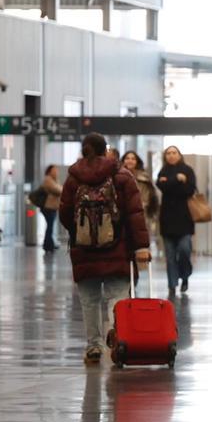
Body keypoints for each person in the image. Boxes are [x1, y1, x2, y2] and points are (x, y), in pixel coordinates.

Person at [59, 133, 150, 364]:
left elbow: (65, 213)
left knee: (89, 301)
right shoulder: (121, 175)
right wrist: (140, 247)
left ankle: (93, 346)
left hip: (83, 251)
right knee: (116, 298)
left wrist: (82, 233)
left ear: (83, 150)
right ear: (105, 150)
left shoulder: (73, 178)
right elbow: (135, 214)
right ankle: (119, 342)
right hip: (117, 248)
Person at [156, 146, 196, 295]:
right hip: (167, 219)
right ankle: (172, 285)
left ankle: (185, 275)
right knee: (170, 255)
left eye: (174, 153)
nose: (171, 156)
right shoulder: (163, 171)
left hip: (184, 219)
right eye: (168, 153)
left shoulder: (188, 170)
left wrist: (171, 182)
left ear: (179, 155)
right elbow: (161, 186)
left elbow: (189, 190)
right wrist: (177, 180)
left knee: (185, 250)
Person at [120, 151, 159, 249]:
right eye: (127, 158)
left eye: (133, 159)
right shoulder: (117, 176)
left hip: (140, 216)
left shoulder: (144, 178)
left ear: (137, 162)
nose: (130, 161)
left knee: (140, 248)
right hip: (121, 216)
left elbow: (148, 198)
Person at [40, 164, 63, 253]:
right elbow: (58, 190)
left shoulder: (54, 180)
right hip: (48, 207)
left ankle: (50, 244)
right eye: (54, 170)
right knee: (50, 226)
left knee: (50, 226)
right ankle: (47, 245)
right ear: (49, 171)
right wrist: (61, 188)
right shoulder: (48, 180)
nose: (56, 172)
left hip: (53, 207)